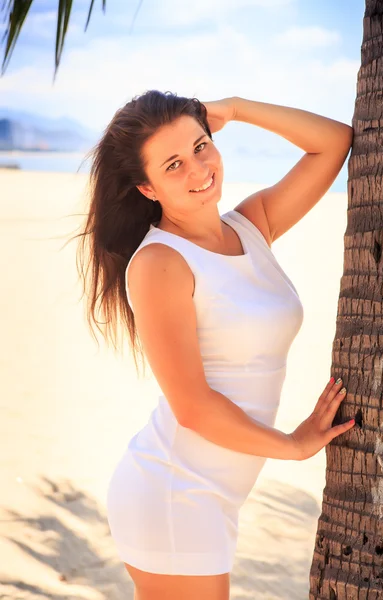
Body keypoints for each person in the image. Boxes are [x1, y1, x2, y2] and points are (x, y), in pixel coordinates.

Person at [76, 90, 354, 599]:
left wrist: (241, 108)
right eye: (174, 164)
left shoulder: (251, 226)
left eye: (201, 146)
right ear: (147, 186)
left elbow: (336, 143)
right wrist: (292, 447)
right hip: (174, 492)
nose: (199, 169)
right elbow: (193, 408)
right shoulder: (160, 264)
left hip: (211, 494)